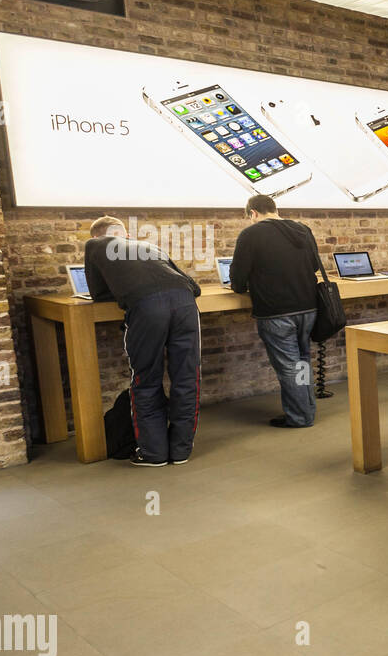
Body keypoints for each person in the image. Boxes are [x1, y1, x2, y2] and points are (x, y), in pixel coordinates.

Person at [84, 216, 201, 466]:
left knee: (145, 379)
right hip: (185, 302)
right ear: (125, 234)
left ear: (97, 236)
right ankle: (181, 451)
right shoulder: (151, 247)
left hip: (147, 307)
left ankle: (153, 454)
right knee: (187, 377)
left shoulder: (94, 245)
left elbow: (97, 293)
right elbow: (195, 288)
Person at [229, 194, 321, 429]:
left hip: (276, 311)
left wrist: (240, 287)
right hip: (308, 307)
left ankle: (300, 417)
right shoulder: (302, 229)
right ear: (274, 209)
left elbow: (238, 275)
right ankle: (307, 409)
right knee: (302, 360)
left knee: (289, 365)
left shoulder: (251, 234)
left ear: (253, 213)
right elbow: (313, 265)